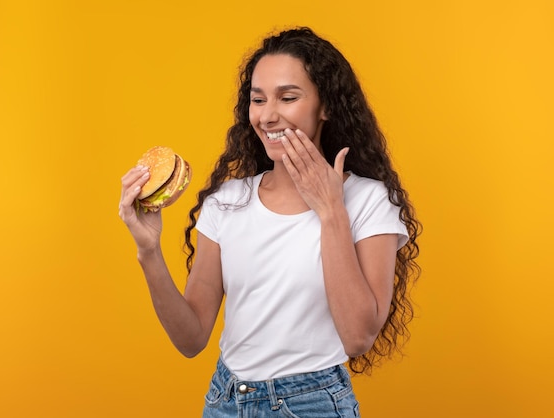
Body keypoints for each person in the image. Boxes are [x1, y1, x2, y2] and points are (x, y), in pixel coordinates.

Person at [119, 26, 421, 418]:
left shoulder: (366, 200)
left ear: (325, 106)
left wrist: (330, 211)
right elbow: (191, 338)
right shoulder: (227, 202)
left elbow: (358, 337)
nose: (268, 115)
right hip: (225, 401)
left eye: (288, 97)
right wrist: (149, 251)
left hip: (312, 403)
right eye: (257, 99)